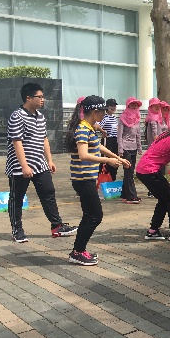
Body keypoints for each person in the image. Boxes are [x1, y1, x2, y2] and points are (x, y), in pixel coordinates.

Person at [5, 83, 77, 243]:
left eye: (43, 97)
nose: (43, 99)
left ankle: (57, 226)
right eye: (39, 97)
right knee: (17, 198)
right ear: (28, 98)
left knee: (48, 193)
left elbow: (44, 139)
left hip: (40, 163)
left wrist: (49, 160)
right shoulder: (17, 116)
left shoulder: (40, 116)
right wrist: (24, 166)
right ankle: (17, 230)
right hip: (19, 166)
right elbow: (17, 142)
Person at [64, 95, 129, 265]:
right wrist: (108, 161)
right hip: (82, 179)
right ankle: (77, 252)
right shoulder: (82, 129)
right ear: (95, 112)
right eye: (103, 112)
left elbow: (98, 146)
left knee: (89, 215)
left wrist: (117, 158)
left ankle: (78, 251)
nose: (104, 115)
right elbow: (83, 155)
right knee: (95, 216)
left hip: (87, 179)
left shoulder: (89, 127)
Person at [118, 97, 143, 204]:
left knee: (130, 171)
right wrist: (120, 149)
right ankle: (131, 196)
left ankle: (125, 195)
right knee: (129, 172)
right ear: (128, 105)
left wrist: (139, 147)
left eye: (136, 105)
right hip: (125, 147)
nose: (134, 107)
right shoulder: (122, 118)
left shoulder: (137, 118)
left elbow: (138, 135)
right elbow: (119, 135)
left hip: (134, 148)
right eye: (132, 104)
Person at [98, 98, 120, 181]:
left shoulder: (114, 117)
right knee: (106, 159)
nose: (113, 108)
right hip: (108, 140)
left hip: (115, 140)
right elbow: (98, 125)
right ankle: (103, 177)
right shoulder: (104, 117)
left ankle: (112, 177)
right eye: (111, 106)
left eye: (114, 106)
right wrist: (103, 131)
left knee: (115, 158)